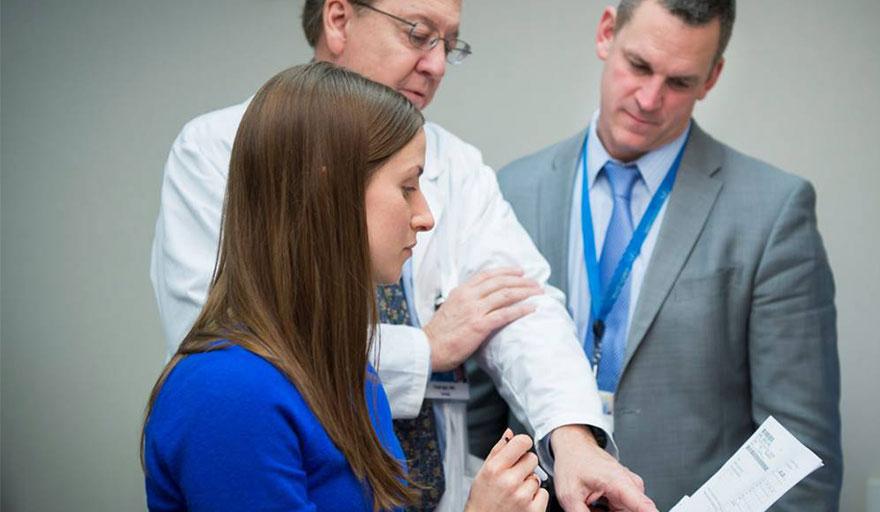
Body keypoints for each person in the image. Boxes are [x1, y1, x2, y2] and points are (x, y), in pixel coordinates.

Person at [149, 1, 654, 511]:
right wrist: (425, 350)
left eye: (449, 44)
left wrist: (572, 441)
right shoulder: (228, 391)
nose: (436, 64)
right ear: (339, 18)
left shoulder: (364, 387)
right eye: (418, 34)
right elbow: (235, 334)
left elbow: (524, 305)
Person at [470, 0, 843, 509]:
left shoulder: (772, 212)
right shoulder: (512, 191)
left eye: (680, 82)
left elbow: (800, 447)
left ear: (711, 79)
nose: (649, 99)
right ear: (606, 34)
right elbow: (476, 413)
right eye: (639, 66)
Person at [143, 62, 549, 512]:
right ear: (329, 190)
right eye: (408, 187)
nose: (426, 215)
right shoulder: (227, 394)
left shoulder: (353, 376)